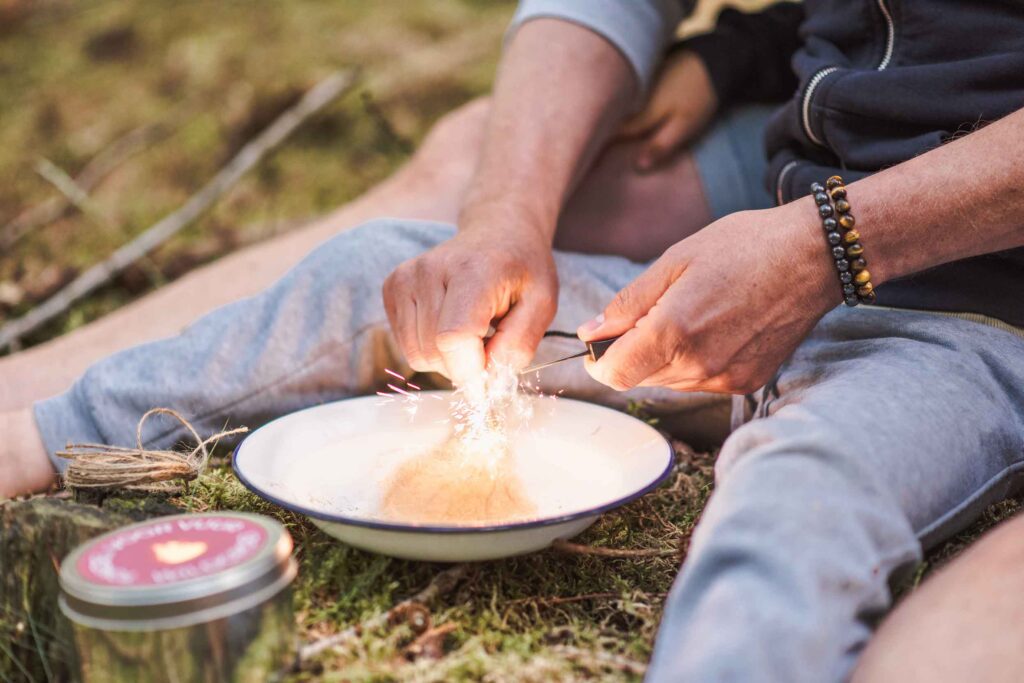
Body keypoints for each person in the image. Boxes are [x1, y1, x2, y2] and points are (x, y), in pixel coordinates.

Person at [3, 1, 1024, 680]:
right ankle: (38, 437)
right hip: (789, 212)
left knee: (796, 501)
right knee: (371, 264)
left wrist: (829, 246)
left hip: (970, 311)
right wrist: (503, 217)